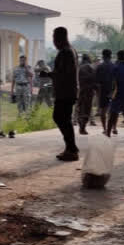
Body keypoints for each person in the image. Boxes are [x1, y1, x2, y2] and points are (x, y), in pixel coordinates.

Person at [40, 27, 79, 161]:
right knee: (63, 119)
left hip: (65, 92)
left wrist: (48, 74)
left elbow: (64, 73)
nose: (54, 41)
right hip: (67, 91)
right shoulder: (70, 50)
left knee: (61, 118)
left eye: (54, 38)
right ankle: (71, 148)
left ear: (60, 38)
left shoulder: (66, 52)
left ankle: (72, 149)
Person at [94, 49, 114, 133]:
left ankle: (104, 129)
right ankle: (114, 128)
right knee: (113, 110)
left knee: (103, 111)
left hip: (102, 90)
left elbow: (96, 81)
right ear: (111, 55)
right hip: (113, 90)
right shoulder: (114, 66)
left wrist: (97, 92)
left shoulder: (99, 66)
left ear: (103, 56)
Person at [77, 53, 96, 134]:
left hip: (81, 91)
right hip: (88, 91)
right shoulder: (90, 67)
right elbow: (94, 78)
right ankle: (82, 127)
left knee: (81, 109)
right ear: (88, 59)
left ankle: (81, 127)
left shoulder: (80, 67)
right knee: (87, 109)